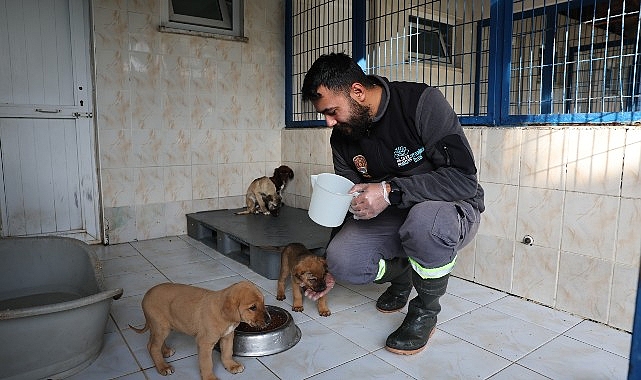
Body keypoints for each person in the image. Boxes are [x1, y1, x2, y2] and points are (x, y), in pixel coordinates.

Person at [300, 52, 484, 355]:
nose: (328, 122)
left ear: (357, 91)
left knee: (424, 222)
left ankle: (425, 310)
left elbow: (464, 179)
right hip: (395, 216)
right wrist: (328, 265)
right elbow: (351, 201)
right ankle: (402, 275)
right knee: (343, 259)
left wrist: (389, 190)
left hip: (449, 209)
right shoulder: (342, 138)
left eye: (332, 111)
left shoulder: (420, 103)